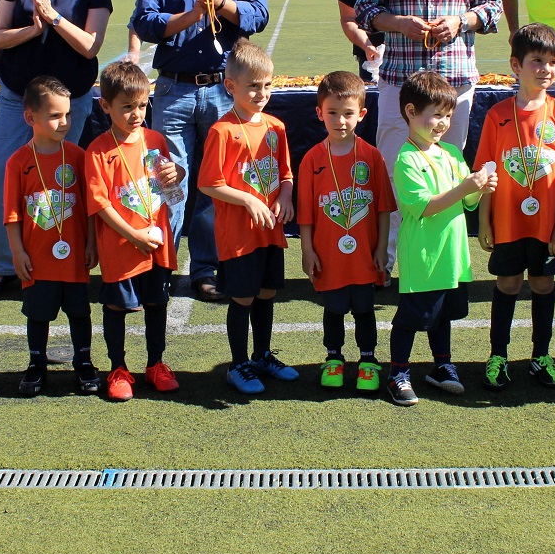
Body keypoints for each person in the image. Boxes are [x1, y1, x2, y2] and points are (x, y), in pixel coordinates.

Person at [354, 0, 501, 274]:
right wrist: (399, 23)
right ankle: (383, 264)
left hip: (454, 87)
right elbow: (365, 10)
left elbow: (492, 11)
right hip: (399, 84)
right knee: (390, 180)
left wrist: (461, 21)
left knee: (446, 181)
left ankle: (435, 268)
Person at [132, 0, 269, 303]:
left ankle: (206, 269)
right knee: (169, 181)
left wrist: (221, 3)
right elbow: (146, 24)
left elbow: (258, 14)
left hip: (224, 90)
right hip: (173, 90)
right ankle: (164, 265)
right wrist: (192, 13)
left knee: (215, 183)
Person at [0, 0, 111, 297]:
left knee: (64, 184)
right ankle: (4, 267)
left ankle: (63, 262)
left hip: (70, 102)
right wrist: (32, 27)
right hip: (17, 98)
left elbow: (90, 46)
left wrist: (52, 16)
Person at [475, 23, 555, 391]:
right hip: (506, 221)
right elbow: (487, 171)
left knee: (542, 283)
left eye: (553, 61)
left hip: (547, 225)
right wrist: (484, 221)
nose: (546, 69)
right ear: (515, 65)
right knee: (507, 283)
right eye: (537, 61)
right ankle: (498, 355)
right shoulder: (498, 115)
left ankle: (540, 355)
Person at [386, 71, 498, 405]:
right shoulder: (406, 159)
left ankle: (442, 365)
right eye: (436, 114)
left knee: (443, 315)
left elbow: (466, 202)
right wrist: (466, 187)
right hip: (423, 256)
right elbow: (423, 207)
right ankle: (398, 373)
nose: (442, 123)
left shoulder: (451, 153)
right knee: (410, 318)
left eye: (448, 115)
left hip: (452, 255)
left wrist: (480, 189)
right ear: (410, 112)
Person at [197, 40, 297, 394]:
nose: (261, 93)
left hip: (270, 231)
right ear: (231, 87)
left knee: (267, 293)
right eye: (253, 85)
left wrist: (285, 195)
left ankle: (263, 355)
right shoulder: (222, 131)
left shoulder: (276, 127)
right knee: (242, 297)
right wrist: (247, 200)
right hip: (239, 234)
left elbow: (286, 174)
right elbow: (209, 183)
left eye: (267, 85)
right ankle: (237, 364)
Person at [85, 60, 184, 400]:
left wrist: (178, 176)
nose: (136, 114)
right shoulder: (98, 150)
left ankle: (156, 364)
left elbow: (172, 193)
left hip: (158, 245)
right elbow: (100, 204)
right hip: (121, 246)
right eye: (126, 107)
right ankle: (118, 368)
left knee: (157, 304)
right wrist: (134, 235)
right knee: (116, 308)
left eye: (142, 105)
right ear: (105, 106)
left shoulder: (155, 139)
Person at [297, 70, 395, 392]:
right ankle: (333, 357)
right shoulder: (312, 160)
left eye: (348, 113)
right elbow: (307, 214)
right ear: (319, 113)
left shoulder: (372, 156)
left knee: (365, 308)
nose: (340, 120)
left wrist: (382, 248)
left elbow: (382, 207)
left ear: (362, 115)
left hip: (365, 254)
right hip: (329, 255)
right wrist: (307, 250)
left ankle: (368, 360)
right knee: (334, 308)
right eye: (332, 113)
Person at [3, 76, 99, 397]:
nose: (64, 122)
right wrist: (18, 252)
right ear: (31, 118)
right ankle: (36, 364)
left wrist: (91, 244)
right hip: (37, 258)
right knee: (38, 314)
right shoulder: (18, 162)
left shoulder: (77, 156)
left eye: (68, 114)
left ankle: (84, 361)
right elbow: (12, 215)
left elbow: (89, 208)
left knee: (79, 311)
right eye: (55, 115)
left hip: (73, 258)